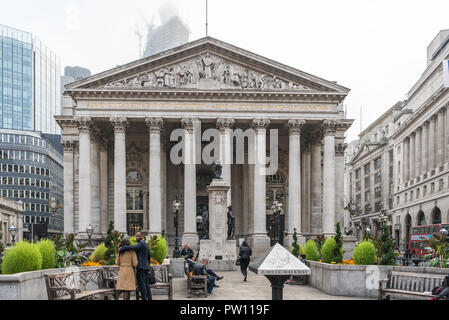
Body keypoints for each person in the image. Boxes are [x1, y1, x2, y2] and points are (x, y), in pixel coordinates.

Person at [118, 231, 152, 300]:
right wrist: (147, 265)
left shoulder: (141, 244)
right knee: (146, 285)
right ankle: (149, 298)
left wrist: (122, 248)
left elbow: (133, 247)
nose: (136, 237)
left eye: (137, 236)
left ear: (142, 236)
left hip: (141, 267)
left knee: (142, 286)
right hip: (145, 267)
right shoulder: (145, 244)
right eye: (136, 236)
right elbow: (149, 257)